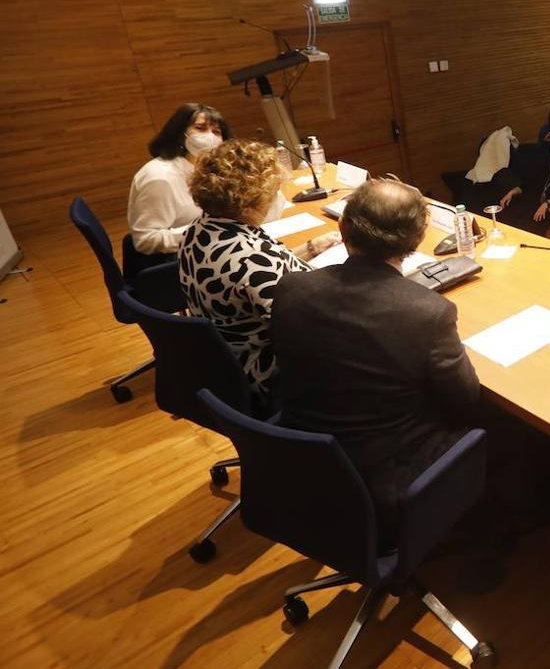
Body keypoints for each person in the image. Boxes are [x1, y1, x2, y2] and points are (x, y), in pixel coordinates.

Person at [273, 177, 481, 545]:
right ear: (416, 241)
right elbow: (465, 403)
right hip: (385, 475)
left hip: (304, 458)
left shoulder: (291, 287)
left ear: (342, 227)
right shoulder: (428, 313)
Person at [179, 139, 341, 406]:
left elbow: (262, 268)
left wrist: (310, 248)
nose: (280, 197)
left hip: (231, 356)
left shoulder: (201, 229)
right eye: (276, 190)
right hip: (273, 373)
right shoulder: (251, 261)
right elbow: (318, 330)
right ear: (248, 200)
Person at [127, 102, 231, 273]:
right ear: (180, 133)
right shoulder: (160, 178)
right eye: (200, 128)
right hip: (176, 266)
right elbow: (145, 240)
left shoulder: (205, 168)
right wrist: (206, 232)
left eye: (216, 131)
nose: (210, 136)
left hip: (206, 250)